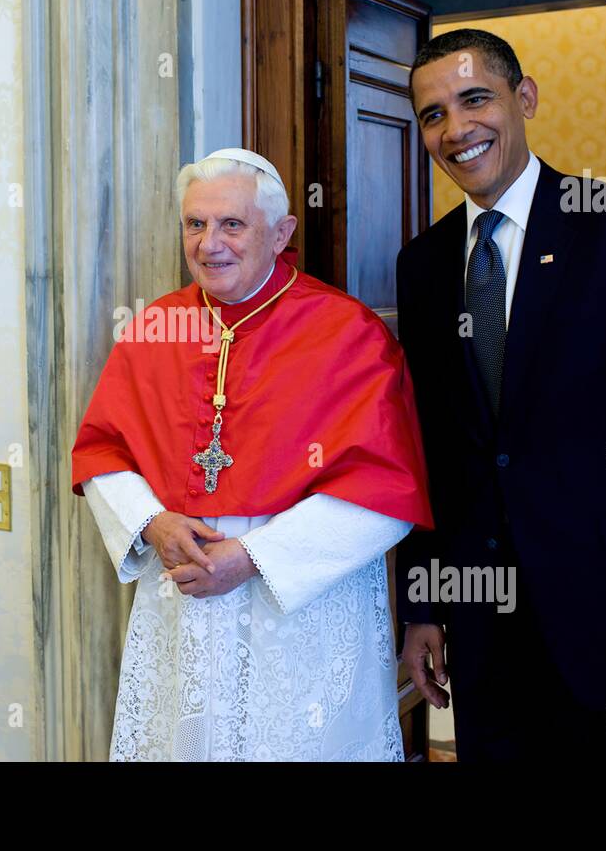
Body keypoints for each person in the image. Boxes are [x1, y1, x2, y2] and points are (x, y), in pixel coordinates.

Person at [395, 28, 606, 761]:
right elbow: (432, 453)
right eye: (433, 114)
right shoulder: (421, 266)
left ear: (526, 98)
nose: (456, 130)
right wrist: (423, 605)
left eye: (475, 99)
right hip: (483, 634)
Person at [72, 148, 433, 761]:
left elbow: (386, 490)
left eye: (232, 225)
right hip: (182, 601)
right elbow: (104, 450)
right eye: (195, 224)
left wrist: (256, 556)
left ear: (281, 232)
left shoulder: (346, 333)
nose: (210, 243)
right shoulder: (157, 326)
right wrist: (151, 523)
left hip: (301, 610)